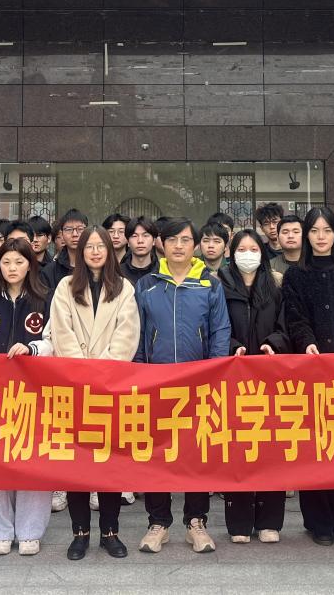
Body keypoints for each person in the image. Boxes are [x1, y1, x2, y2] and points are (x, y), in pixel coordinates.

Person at [134, 218, 231, 554]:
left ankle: (196, 522)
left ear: (196, 245)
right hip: (156, 382)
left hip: (198, 383)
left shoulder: (209, 284)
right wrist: (139, 374)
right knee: (157, 453)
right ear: (161, 244)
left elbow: (220, 331)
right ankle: (158, 523)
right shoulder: (147, 284)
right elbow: (137, 332)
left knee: (196, 452)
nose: (178, 246)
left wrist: (213, 372)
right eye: (172, 239)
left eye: (185, 240)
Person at [49, 226, 140, 560]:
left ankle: (110, 532)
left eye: (102, 246)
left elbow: (127, 335)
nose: (96, 251)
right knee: (77, 465)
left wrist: (102, 372)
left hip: (111, 388)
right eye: (90, 246)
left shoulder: (124, 288)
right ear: (81, 251)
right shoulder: (65, 287)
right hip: (75, 386)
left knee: (109, 463)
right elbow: (62, 333)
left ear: (110, 251)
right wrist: (83, 372)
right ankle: (80, 533)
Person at [281, 206, 334, 547]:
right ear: (306, 235)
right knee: (313, 446)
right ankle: (317, 522)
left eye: (326, 230)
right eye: (314, 230)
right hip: (309, 370)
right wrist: (307, 343)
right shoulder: (295, 275)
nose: (320, 237)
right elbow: (294, 316)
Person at [0, 237, 55, 555]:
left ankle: (30, 530)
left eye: (19, 262)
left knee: (33, 459)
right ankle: (0, 531)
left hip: (35, 394)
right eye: (6, 262)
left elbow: (53, 341)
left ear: (30, 265)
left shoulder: (44, 300)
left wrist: (32, 349)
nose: (12, 268)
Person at [219, 228, 289, 545]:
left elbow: (286, 325)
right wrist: (232, 347)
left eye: (254, 249)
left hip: (269, 377)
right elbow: (216, 326)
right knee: (237, 448)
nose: (248, 255)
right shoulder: (219, 285)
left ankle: (270, 521)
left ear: (263, 253)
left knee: (272, 448)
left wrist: (274, 343)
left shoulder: (275, 285)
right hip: (232, 378)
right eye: (241, 249)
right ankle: (239, 522)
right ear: (231, 253)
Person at [41, 210, 88, 289]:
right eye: (69, 229)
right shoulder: (49, 272)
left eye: (80, 229)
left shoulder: (95, 266)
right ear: (62, 233)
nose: (75, 234)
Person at [121, 216, 159, 284]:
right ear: (128, 242)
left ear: (154, 241)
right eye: (134, 236)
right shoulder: (118, 273)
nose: (140, 241)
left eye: (145, 235)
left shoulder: (161, 272)